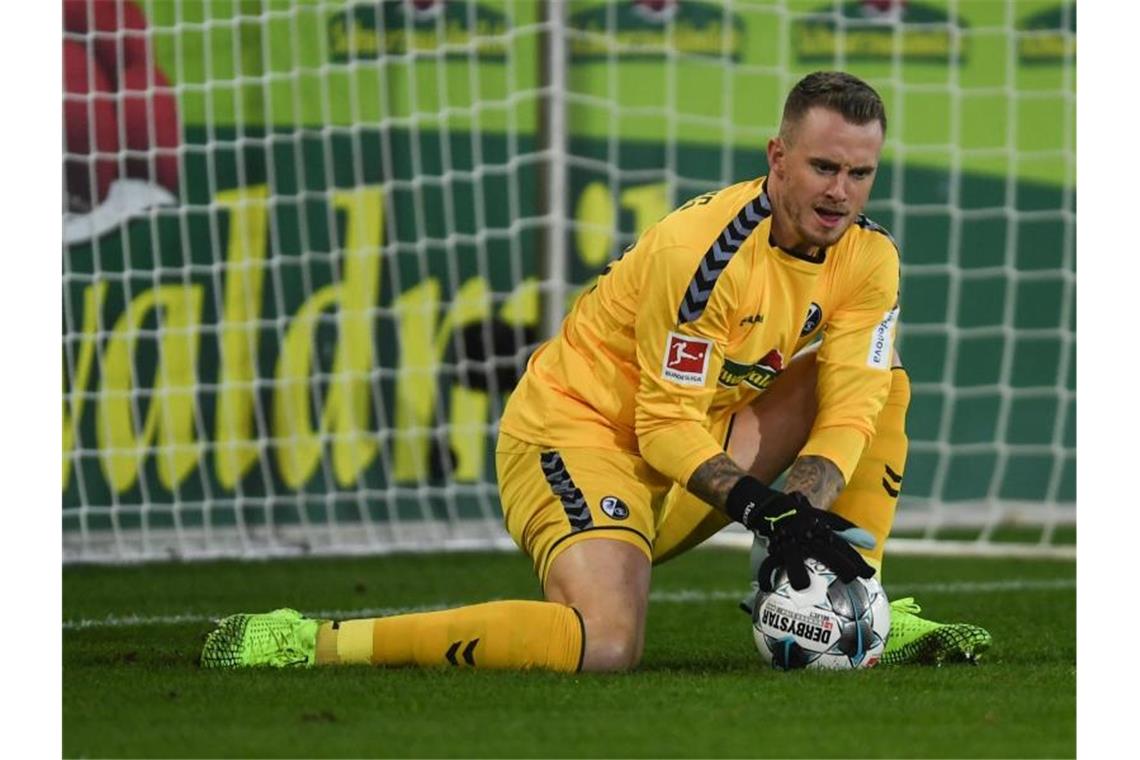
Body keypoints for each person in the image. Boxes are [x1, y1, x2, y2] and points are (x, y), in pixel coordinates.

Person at [201, 71, 990, 672]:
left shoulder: (869, 259)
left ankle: (856, 602)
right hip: (576, 437)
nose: (840, 194)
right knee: (607, 646)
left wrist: (804, 518)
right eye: (823, 168)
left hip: (687, 453)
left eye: (860, 175)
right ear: (777, 158)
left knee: (884, 383)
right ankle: (313, 642)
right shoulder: (705, 256)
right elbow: (662, 424)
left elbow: (851, 405)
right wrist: (762, 508)